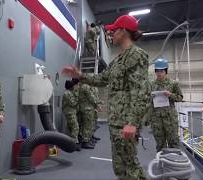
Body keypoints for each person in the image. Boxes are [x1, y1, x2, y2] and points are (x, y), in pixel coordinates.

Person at [62, 15, 150, 179]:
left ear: (123, 31)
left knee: (130, 166)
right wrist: (80, 75)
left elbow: (141, 90)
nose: (110, 35)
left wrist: (132, 123)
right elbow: (102, 79)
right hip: (116, 121)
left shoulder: (137, 55)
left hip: (126, 122)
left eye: (113, 31)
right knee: (120, 166)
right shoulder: (117, 61)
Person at [150, 58, 183, 152]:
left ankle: (174, 164)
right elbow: (146, 100)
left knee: (173, 142)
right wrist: (150, 97)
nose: (159, 73)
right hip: (157, 119)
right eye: (157, 71)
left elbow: (180, 97)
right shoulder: (151, 84)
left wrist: (171, 95)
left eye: (162, 71)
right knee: (160, 144)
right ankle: (162, 164)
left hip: (170, 118)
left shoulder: (173, 84)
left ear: (166, 71)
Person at [74, 79, 101, 149]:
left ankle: (86, 140)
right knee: (87, 125)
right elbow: (91, 97)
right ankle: (85, 142)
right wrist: (97, 105)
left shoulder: (81, 86)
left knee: (86, 125)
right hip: (87, 109)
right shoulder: (85, 86)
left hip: (84, 108)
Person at [62, 80, 80, 150]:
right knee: (75, 127)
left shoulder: (69, 92)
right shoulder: (68, 93)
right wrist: (78, 98)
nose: (74, 87)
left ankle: (70, 143)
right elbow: (73, 103)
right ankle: (74, 144)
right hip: (69, 113)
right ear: (70, 86)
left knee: (71, 128)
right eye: (73, 86)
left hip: (70, 112)